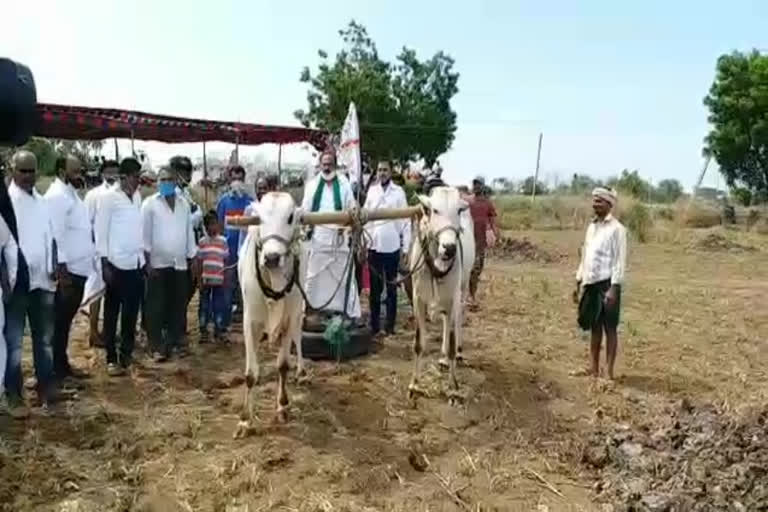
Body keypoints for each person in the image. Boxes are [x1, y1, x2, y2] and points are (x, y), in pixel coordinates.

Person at [6, 150, 56, 414]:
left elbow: (50, 237)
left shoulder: (41, 201)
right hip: (15, 283)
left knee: (44, 339)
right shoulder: (6, 202)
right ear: (12, 170)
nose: (28, 176)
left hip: (42, 280)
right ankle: (13, 393)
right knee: (14, 342)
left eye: (32, 170)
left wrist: (55, 264)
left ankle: (45, 387)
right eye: (22, 170)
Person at [45, 154, 94, 381]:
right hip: (68, 273)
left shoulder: (72, 195)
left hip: (79, 270)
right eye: (76, 171)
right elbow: (54, 235)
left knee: (65, 323)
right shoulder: (56, 196)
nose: (80, 175)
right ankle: (57, 370)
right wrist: (62, 271)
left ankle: (62, 366)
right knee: (59, 323)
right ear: (63, 172)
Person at [94, 157, 144, 376]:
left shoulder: (138, 197)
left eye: (139, 177)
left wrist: (142, 259)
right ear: (123, 177)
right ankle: (111, 357)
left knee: (131, 313)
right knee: (112, 313)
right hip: (115, 265)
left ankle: (126, 354)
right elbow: (100, 232)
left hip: (135, 263)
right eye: (135, 177)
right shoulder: (108, 199)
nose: (138, 182)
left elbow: (137, 230)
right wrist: (104, 264)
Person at [141, 168, 198, 361]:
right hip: (157, 264)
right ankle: (155, 345)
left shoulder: (183, 205)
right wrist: (147, 264)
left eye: (169, 179)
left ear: (176, 181)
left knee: (178, 305)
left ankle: (174, 342)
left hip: (179, 263)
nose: (166, 182)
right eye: (162, 179)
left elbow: (188, 233)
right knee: (155, 306)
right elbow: (144, 236)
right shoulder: (149, 205)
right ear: (157, 182)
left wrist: (193, 258)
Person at [574, 187, 627, 380]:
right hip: (591, 283)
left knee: (609, 328)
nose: (595, 204)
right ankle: (593, 369)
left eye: (600, 201)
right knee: (594, 328)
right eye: (594, 200)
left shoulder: (617, 230)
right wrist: (579, 279)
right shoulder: (591, 228)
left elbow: (619, 262)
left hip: (608, 284)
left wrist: (614, 288)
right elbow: (586, 255)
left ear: (609, 204)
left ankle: (609, 372)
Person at [301, 151, 361, 319]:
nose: (327, 167)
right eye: (324, 164)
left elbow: (351, 206)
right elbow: (305, 209)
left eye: (330, 164)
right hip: (318, 239)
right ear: (320, 166)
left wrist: (353, 213)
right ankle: (310, 309)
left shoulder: (344, 184)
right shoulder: (312, 185)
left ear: (335, 165)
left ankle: (347, 311)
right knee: (313, 276)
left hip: (339, 239)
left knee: (343, 278)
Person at [363, 161, 411, 336]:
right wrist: (364, 242)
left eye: (385, 170)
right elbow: (365, 218)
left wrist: (405, 248)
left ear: (391, 172)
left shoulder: (398, 193)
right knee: (375, 290)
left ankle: (390, 327)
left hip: (392, 247)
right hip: (374, 246)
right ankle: (375, 326)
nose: (382, 173)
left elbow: (406, 222)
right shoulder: (372, 191)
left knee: (391, 289)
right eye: (379, 170)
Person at [82, 159, 119, 348]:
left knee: (113, 294)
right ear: (102, 174)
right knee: (96, 293)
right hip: (98, 253)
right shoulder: (93, 195)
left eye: (116, 172)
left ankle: (109, 332)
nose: (112, 175)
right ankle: (93, 332)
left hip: (118, 253)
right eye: (109, 172)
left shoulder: (124, 195)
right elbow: (86, 224)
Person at [216, 165, 253, 329]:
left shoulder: (250, 203)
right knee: (227, 288)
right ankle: (224, 322)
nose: (237, 182)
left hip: (246, 253)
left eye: (240, 178)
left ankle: (248, 321)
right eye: (234, 179)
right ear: (229, 180)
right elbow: (218, 227)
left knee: (247, 287)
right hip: (228, 252)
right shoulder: (224, 202)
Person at [467, 177, 500, 310]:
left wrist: (494, 231)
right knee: (467, 268)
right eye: (474, 184)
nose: (476, 187)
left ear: (482, 186)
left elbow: (492, 218)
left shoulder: (487, 203)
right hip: (467, 241)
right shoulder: (467, 202)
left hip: (480, 241)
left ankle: (472, 295)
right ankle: (468, 297)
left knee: (477, 269)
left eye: (478, 184)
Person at [197, 211, 229, 344]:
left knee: (218, 305)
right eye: (209, 225)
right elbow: (199, 262)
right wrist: (199, 279)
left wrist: (226, 277)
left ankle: (219, 329)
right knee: (204, 305)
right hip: (206, 280)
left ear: (219, 225)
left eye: (214, 224)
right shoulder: (202, 242)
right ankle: (203, 331)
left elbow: (226, 261)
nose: (212, 227)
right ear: (205, 226)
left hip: (219, 280)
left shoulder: (223, 241)